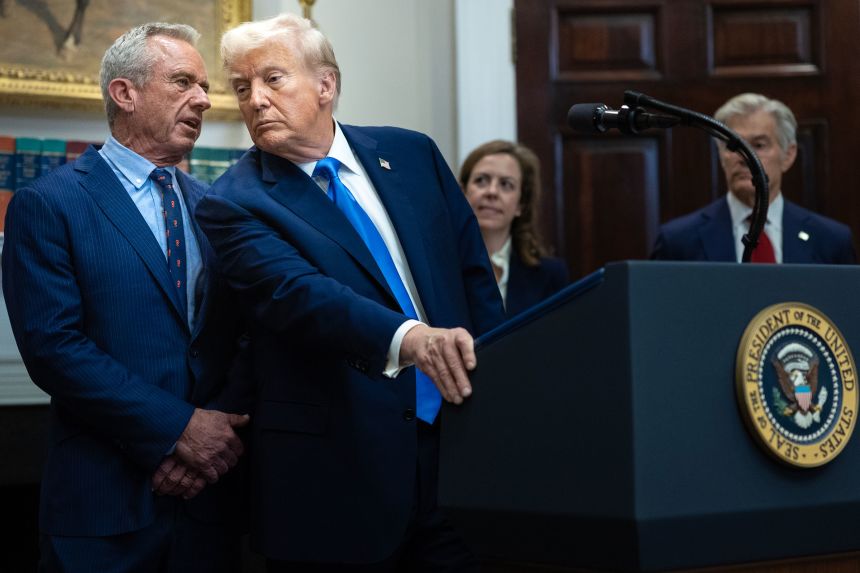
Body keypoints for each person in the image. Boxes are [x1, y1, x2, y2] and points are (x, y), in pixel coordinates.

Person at [194, 13, 505, 571]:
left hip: (458, 452)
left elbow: (473, 276)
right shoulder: (233, 200)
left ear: (326, 84)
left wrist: (504, 389)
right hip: (338, 476)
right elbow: (300, 295)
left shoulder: (412, 154)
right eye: (241, 88)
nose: (255, 100)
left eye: (272, 79)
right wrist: (411, 340)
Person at [2, 23, 252, 572]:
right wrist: (176, 431)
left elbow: (239, 334)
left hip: (207, 503)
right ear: (125, 93)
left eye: (205, 86)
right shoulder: (49, 204)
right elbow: (54, 349)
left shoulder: (214, 206)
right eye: (183, 82)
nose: (203, 100)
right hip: (102, 506)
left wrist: (208, 438)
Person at [651, 93, 855, 263]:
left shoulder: (831, 240)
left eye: (758, 145)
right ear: (721, 156)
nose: (744, 157)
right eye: (733, 146)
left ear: (788, 155)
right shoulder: (678, 241)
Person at [459, 140, 569, 317]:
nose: (492, 192)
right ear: (463, 193)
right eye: (481, 180)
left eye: (506, 184)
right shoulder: (439, 267)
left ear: (521, 204)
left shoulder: (550, 275)